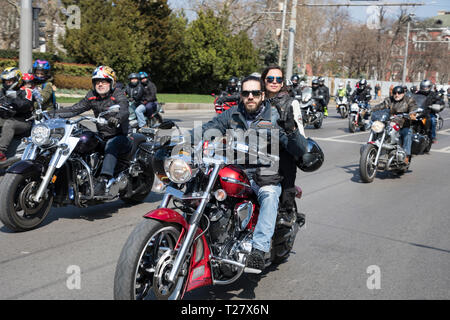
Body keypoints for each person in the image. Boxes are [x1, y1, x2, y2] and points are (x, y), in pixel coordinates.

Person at [196, 75, 307, 272]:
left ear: (262, 95)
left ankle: (258, 250)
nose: (250, 97)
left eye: (255, 93)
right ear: (241, 95)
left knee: (270, 194)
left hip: (262, 174)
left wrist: (291, 130)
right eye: (246, 93)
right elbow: (209, 128)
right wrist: (182, 139)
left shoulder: (274, 117)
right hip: (234, 169)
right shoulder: (233, 113)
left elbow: (298, 149)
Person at [53, 66, 130, 195]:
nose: (100, 84)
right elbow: (74, 109)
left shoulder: (118, 93)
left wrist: (117, 118)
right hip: (102, 135)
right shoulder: (92, 96)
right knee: (80, 139)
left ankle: (104, 179)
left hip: (119, 136)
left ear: (111, 83)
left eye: (104, 81)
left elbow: (124, 109)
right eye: (97, 81)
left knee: (112, 144)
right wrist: (49, 114)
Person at [262, 66, 307, 225]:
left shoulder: (290, 102)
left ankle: (286, 214)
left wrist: (290, 129)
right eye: (270, 79)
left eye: (278, 79)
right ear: (264, 80)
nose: (274, 82)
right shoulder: (256, 99)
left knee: (281, 214)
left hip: (281, 153)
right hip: (256, 153)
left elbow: (301, 137)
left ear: (282, 83)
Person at [371, 85, 418, 164]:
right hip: (390, 122)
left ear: (403, 93)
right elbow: (382, 105)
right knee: (377, 130)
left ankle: (406, 155)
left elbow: (413, 107)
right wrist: (371, 109)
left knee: (407, 133)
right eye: (395, 93)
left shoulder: (408, 100)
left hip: (403, 123)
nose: (397, 95)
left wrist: (412, 113)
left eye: (399, 93)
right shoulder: (389, 100)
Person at [0, 67, 35, 163]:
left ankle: (1, 153)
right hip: (6, 118)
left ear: (17, 80)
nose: (7, 83)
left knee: (9, 123)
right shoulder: (2, 91)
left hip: (24, 122)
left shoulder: (25, 91)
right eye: (6, 81)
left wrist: (13, 100)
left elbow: (26, 105)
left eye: (10, 81)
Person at [413, 79, 445, 143]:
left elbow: (439, 100)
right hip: (419, 111)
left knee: (432, 120)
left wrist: (436, 104)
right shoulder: (417, 93)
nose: (424, 88)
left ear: (429, 87)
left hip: (429, 112)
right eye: (423, 87)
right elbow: (412, 99)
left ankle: (433, 136)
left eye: (426, 87)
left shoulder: (433, 94)